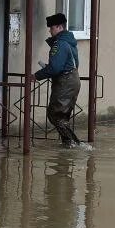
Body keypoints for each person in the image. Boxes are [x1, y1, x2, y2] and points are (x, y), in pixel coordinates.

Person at [34, 12, 83, 147]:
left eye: (52, 28)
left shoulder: (60, 44)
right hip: (72, 80)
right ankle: (68, 144)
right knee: (62, 116)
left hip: (65, 82)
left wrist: (36, 76)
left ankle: (74, 144)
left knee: (55, 115)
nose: (50, 30)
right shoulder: (69, 42)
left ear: (59, 27)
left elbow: (55, 68)